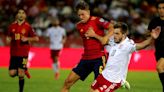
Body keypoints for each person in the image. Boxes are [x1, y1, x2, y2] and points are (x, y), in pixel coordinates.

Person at [61, 1, 114, 92]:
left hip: (99, 59)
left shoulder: (97, 20)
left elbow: (112, 27)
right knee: (67, 82)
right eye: (79, 15)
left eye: (83, 14)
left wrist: (105, 37)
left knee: (96, 88)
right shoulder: (79, 26)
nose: (81, 17)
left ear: (88, 12)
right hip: (85, 58)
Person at [85, 22, 153, 92]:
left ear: (123, 34)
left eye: (117, 34)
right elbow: (103, 41)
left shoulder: (128, 45)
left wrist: (152, 38)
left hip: (114, 80)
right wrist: (94, 35)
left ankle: (122, 81)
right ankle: (123, 82)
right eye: (114, 33)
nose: (114, 35)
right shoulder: (114, 41)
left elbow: (142, 45)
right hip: (104, 75)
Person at [6, 9, 39, 92]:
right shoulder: (11, 26)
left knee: (21, 74)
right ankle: (24, 70)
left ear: (25, 16)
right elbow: (8, 37)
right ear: (17, 15)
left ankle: (21, 90)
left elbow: (36, 38)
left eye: (23, 13)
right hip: (13, 53)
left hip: (23, 53)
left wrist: (27, 38)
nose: (21, 14)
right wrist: (8, 39)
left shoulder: (28, 27)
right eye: (19, 13)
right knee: (11, 74)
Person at [147, 1, 164, 92]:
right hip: (159, 50)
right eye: (159, 8)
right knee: (161, 69)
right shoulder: (154, 21)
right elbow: (148, 34)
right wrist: (152, 35)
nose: (161, 10)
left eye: (163, 8)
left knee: (159, 67)